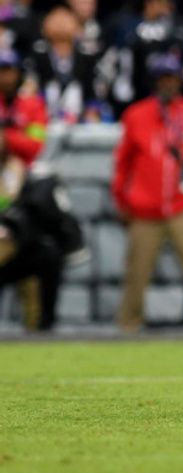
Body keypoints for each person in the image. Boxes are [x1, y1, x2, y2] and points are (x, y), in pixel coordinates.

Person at [111, 52, 183, 332]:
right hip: (145, 206)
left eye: (172, 78)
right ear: (155, 82)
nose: (168, 84)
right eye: (162, 79)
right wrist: (122, 198)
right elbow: (123, 161)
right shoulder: (136, 115)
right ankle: (128, 325)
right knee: (136, 271)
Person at [0, 136, 89, 331]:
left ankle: (42, 328)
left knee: (47, 255)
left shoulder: (16, 169)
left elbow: (25, 209)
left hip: (13, 242)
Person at [27, 6, 105, 123]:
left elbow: (93, 89)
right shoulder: (37, 55)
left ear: (78, 28)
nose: (61, 24)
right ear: (44, 28)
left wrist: (91, 114)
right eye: (55, 20)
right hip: (43, 117)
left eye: (66, 19)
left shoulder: (87, 57)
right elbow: (30, 87)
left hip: (79, 117)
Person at [0, 49, 48, 166]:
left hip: (21, 164)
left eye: (10, 71)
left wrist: (6, 138)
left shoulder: (34, 104)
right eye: (2, 72)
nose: (6, 77)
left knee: (14, 168)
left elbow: (35, 145)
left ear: (18, 74)